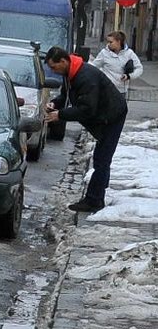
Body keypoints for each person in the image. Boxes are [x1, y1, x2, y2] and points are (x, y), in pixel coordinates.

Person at [44, 46, 128, 212]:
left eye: (54, 67)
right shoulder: (71, 73)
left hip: (112, 116)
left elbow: (87, 109)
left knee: (102, 159)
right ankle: (99, 192)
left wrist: (60, 115)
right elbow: (65, 95)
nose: (53, 71)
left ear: (63, 61)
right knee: (102, 158)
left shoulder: (85, 77)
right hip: (105, 116)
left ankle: (94, 200)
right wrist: (55, 103)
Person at [91, 30, 143, 95]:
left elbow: (139, 68)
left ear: (118, 42)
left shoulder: (129, 53)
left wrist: (129, 76)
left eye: (111, 42)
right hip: (106, 89)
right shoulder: (104, 53)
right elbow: (93, 66)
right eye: (108, 42)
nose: (108, 44)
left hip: (121, 90)